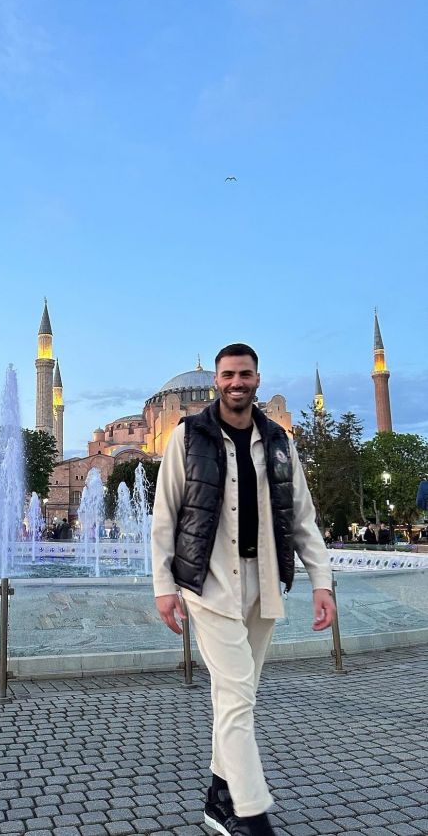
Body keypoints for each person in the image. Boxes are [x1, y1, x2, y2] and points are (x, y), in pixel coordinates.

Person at [151, 343, 335, 836]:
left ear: (257, 379)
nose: (237, 382)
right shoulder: (187, 435)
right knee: (236, 695)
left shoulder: (279, 441)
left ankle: (218, 798)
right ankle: (254, 818)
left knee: (238, 696)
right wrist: (163, 586)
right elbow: (165, 515)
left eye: (245, 374)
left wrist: (322, 582)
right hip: (209, 583)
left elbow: (303, 517)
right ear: (216, 381)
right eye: (229, 374)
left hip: (263, 583)